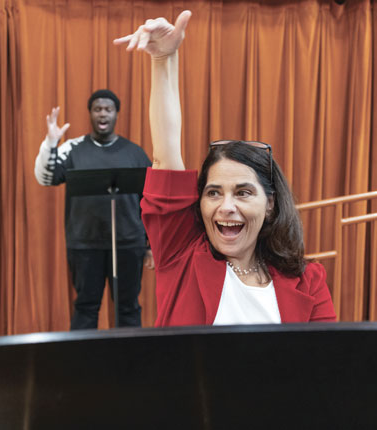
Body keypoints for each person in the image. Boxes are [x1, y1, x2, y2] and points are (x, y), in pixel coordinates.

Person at [114, 11, 336, 325]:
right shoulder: (181, 253)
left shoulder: (309, 279)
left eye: (243, 192)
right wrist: (164, 59)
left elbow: (323, 367)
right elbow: (165, 157)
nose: (226, 206)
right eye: (213, 192)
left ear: (269, 204)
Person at [34, 90, 154, 329]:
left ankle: (131, 363)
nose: (103, 114)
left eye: (108, 109)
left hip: (129, 244)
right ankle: (83, 364)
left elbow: (148, 202)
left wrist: (150, 245)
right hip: (84, 244)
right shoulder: (72, 148)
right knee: (86, 306)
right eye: (98, 109)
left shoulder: (135, 153)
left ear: (116, 114)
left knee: (128, 307)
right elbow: (46, 178)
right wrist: (51, 142)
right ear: (90, 113)